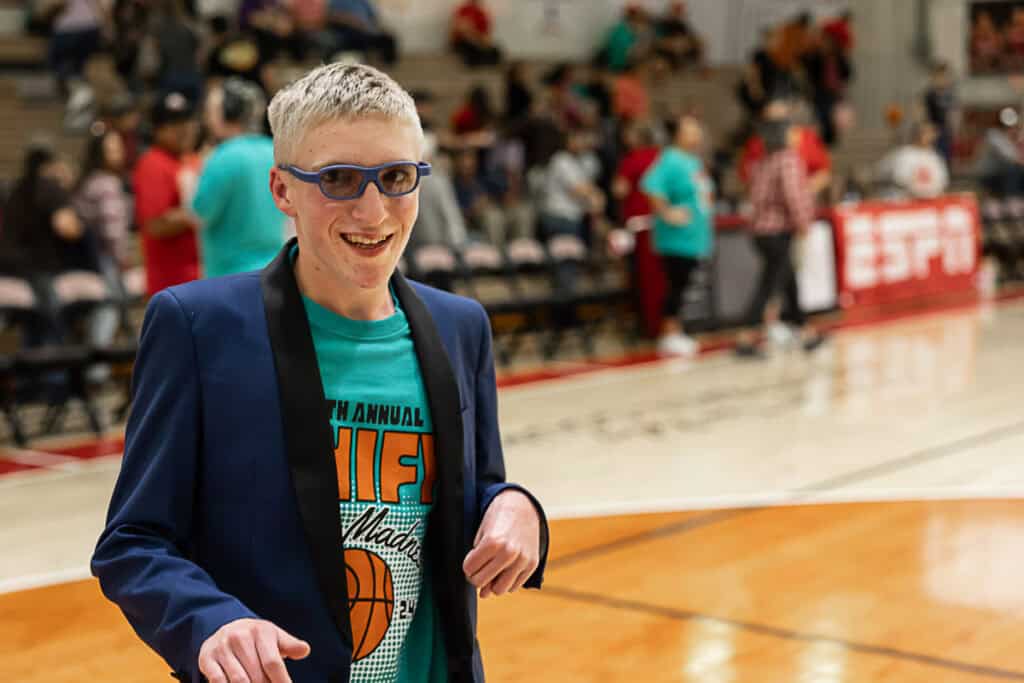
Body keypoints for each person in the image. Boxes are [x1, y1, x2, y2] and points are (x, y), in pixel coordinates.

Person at [92, 62, 549, 683]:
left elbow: (477, 492)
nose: (372, 210)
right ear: (282, 191)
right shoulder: (197, 327)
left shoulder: (460, 327)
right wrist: (209, 623)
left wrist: (517, 506)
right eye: (338, 179)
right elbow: (133, 542)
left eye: (395, 177)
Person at [736, 119, 825, 358]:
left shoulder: (762, 161)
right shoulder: (787, 159)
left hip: (760, 230)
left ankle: (805, 332)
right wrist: (804, 223)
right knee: (768, 285)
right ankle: (745, 337)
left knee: (788, 281)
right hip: (778, 230)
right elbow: (793, 195)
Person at [192, 78, 285, 278]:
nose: (208, 119)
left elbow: (200, 214)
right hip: (276, 269)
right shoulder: (275, 152)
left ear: (226, 112)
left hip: (230, 275)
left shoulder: (222, 156)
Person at [640, 115, 714, 357]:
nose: (697, 133)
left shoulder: (693, 161)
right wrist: (667, 212)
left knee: (684, 286)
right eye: (691, 129)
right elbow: (651, 186)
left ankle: (678, 331)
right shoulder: (669, 159)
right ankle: (669, 333)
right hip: (676, 239)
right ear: (678, 134)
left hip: (694, 236)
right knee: (676, 285)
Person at [133, 91, 201, 297]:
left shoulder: (194, 160)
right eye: (174, 125)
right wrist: (201, 213)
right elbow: (156, 225)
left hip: (201, 276)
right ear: (157, 130)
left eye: (187, 122)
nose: (184, 130)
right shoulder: (152, 164)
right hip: (172, 283)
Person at [875, 121, 949, 200]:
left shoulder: (935, 157)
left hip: (929, 204)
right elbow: (900, 179)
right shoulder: (904, 154)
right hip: (905, 202)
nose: (930, 137)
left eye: (931, 133)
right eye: (926, 133)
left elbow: (941, 182)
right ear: (917, 134)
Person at [326, 0, 398, 65]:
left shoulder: (363, 2)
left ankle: (387, 66)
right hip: (349, 30)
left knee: (388, 38)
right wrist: (350, 21)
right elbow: (332, 16)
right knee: (356, 37)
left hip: (368, 30)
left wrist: (378, 28)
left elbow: (373, 17)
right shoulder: (336, 2)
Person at [451, 0, 501, 68]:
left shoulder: (481, 13)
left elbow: (486, 35)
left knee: (495, 51)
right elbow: (460, 29)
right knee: (469, 48)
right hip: (463, 41)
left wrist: (479, 39)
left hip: (478, 41)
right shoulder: (463, 10)